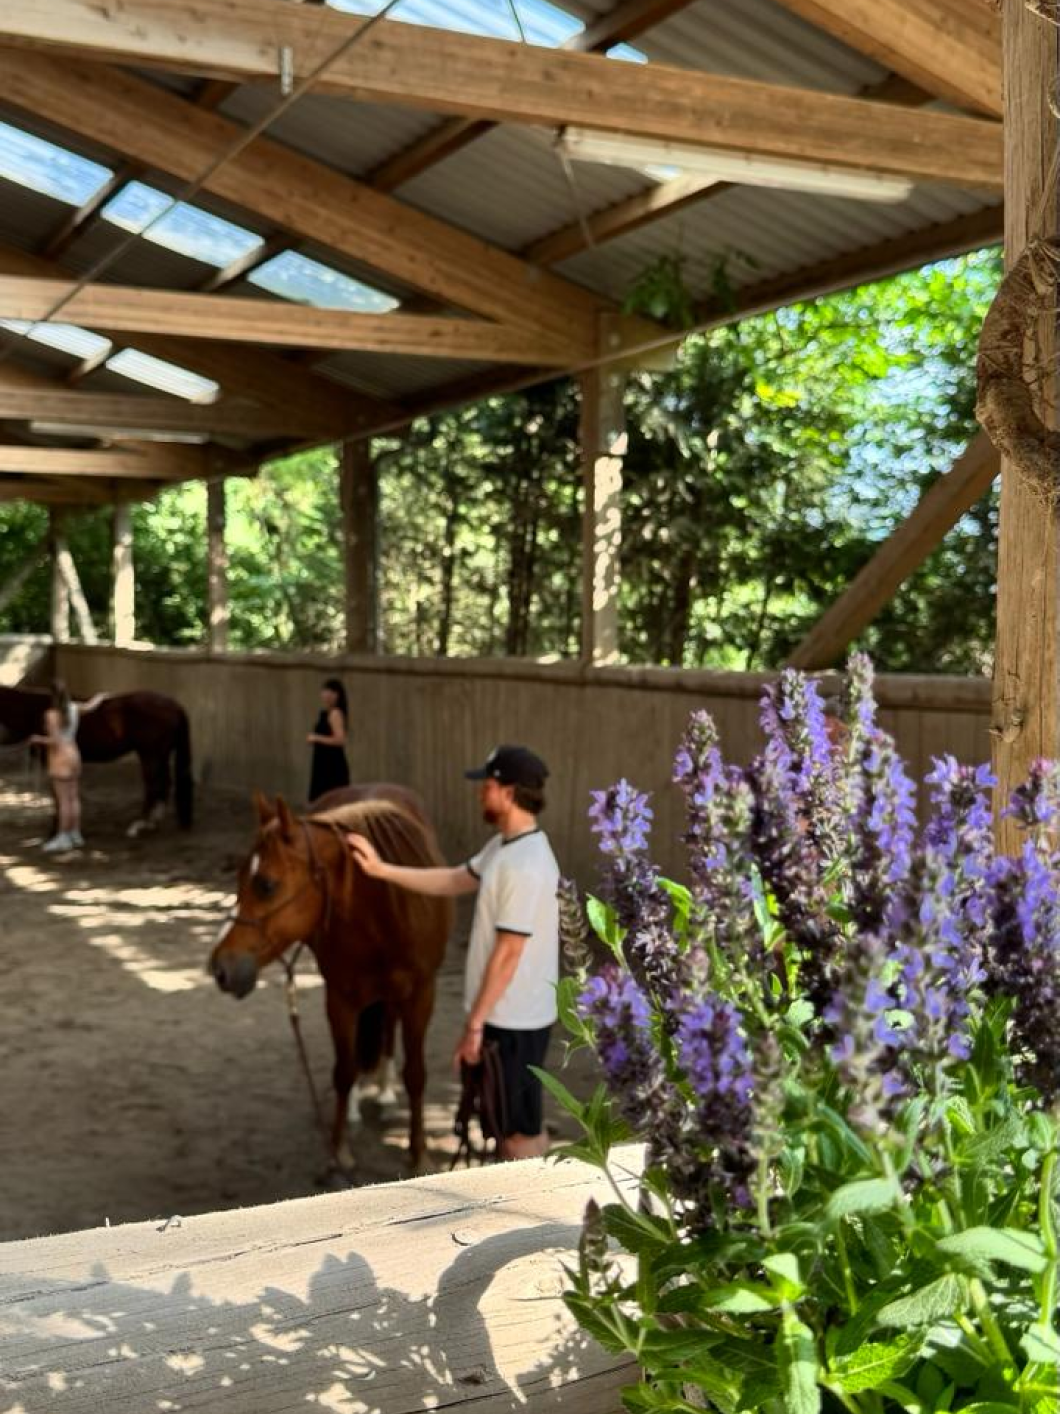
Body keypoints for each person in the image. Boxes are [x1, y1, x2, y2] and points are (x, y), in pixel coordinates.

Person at [347, 744, 559, 1161]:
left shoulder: (525, 865)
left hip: (515, 1021)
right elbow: (453, 880)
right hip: (507, 1015)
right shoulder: (505, 847)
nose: (481, 792)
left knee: (517, 1135)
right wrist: (381, 870)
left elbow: (508, 954)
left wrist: (474, 1026)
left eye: (488, 785)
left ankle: (540, 1201)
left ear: (509, 792)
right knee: (509, 1124)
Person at [30, 680, 104, 853]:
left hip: (60, 758)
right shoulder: (73, 708)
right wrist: (100, 697)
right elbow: (90, 706)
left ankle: (63, 836)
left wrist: (38, 739)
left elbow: (55, 741)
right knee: (73, 798)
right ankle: (75, 834)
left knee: (63, 801)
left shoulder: (51, 715)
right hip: (74, 754)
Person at [307, 677, 350, 804]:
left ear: (337, 696)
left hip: (331, 767)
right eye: (325, 691)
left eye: (332, 692)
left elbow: (340, 740)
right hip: (323, 764)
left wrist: (316, 738)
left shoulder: (335, 714)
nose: (327, 694)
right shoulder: (326, 714)